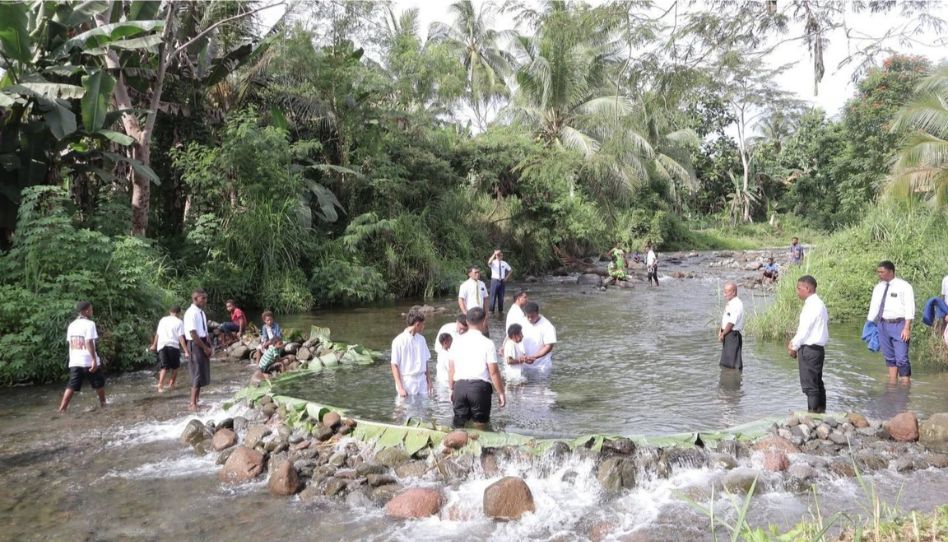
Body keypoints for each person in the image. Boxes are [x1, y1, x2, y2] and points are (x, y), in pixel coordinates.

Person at [448, 307, 506, 429]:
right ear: (484, 321)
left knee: (459, 426)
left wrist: (451, 389)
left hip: (459, 387)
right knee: (481, 426)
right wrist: (501, 392)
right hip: (479, 389)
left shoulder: (456, 342)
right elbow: (493, 372)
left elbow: (451, 368)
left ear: (467, 322)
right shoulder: (488, 343)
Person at [867, 261, 915, 384]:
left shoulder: (904, 286)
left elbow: (909, 308)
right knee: (889, 357)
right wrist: (869, 324)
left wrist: (907, 328)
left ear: (891, 272)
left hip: (899, 325)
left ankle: (905, 386)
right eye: (878, 272)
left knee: (902, 358)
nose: (879, 274)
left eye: (882, 272)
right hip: (883, 324)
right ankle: (892, 385)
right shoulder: (878, 288)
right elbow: (874, 307)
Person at [788, 275, 829, 413]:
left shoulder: (812, 306)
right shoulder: (819, 304)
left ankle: (812, 414)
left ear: (808, 288)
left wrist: (793, 346)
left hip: (810, 349)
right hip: (818, 350)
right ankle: (821, 412)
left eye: (799, 288)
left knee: (810, 385)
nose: (797, 291)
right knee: (817, 382)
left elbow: (804, 329)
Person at [58, 301, 106, 413]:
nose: (92, 311)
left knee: (71, 385)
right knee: (98, 383)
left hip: (75, 361)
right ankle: (103, 404)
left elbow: (71, 343)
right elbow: (88, 341)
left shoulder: (72, 325)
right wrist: (94, 359)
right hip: (88, 360)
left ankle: (62, 409)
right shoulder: (90, 324)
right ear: (86, 311)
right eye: (91, 309)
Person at [390, 307, 432, 398]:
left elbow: (425, 361)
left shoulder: (422, 339)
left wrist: (429, 381)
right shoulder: (398, 341)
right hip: (407, 381)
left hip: (422, 380)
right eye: (423, 324)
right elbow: (394, 365)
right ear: (417, 324)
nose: (424, 326)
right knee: (407, 406)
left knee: (424, 406)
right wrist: (400, 388)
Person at [184, 288, 213, 411]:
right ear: (195, 299)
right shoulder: (191, 313)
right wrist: (204, 348)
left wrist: (209, 345)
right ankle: (192, 403)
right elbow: (193, 334)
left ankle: (197, 401)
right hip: (195, 344)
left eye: (205, 298)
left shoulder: (201, 312)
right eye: (203, 298)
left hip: (203, 342)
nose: (205, 300)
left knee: (201, 373)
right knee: (196, 372)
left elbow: (204, 331)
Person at [148, 305, 189, 393]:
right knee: (175, 367)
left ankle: (160, 385)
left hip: (162, 345)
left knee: (164, 367)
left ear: (170, 311)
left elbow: (158, 334)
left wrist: (154, 345)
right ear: (179, 313)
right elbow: (181, 338)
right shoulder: (179, 322)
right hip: (173, 346)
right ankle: (171, 384)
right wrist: (186, 351)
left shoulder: (163, 320)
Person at [521, 302, 557, 375]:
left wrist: (534, 357)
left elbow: (549, 347)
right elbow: (513, 336)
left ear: (537, 313)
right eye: (528, 316)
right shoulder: (522, 321)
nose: (530, 319)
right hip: (524, 364)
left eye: (532, 316)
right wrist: (504, 346)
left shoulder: (547, 326)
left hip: (541, 366)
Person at [434, 314, 468, 382]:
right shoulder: (446, 329)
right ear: (457, 322)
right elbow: (438, 349)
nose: (462, 331)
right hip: (445, 371)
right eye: (461, 328)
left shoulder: (469, 332)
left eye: (465, 329)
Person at [718, 282, 744, 371]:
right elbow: (726, 319)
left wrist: (723, 334)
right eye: (724, 292)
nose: (724, 294)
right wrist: (721, 331)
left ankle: (734, 378)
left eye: (726, 292)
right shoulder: (731, 303)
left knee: (733, 363)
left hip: (733, 335)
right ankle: (726, 377)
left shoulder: (737, 304)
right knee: (726, 362)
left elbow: (731, 322)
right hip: (727, 334)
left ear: (733, 292)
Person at [487, 250, 512, 315]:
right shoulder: (493, 262)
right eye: (498, 255)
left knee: (501, 297)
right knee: (493, 297)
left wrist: (506, 278)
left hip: (502, 281)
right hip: (495, 281)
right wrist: (494, 253)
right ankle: (491, 311)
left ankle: (500, 311)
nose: (499, 256)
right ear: (496, 256)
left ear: (502, 256)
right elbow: (489, 262)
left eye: (500, 255)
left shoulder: (504, 263)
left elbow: (510, 270)